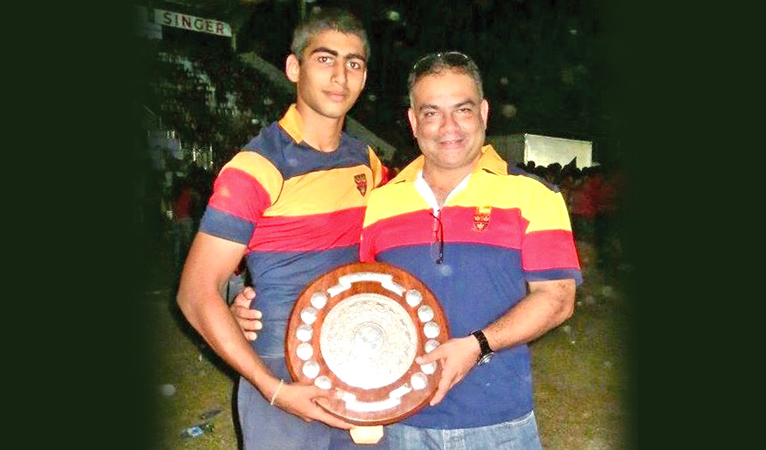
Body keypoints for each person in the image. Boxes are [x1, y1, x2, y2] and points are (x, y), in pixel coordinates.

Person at [235, 51, 583, 449]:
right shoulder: (380, 203)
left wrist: (478, 345)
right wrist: (247, 302)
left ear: (484, 113)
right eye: (431, 112)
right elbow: (341, 285)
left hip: (497, 423)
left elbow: (557, 299)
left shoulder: (534, 195)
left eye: (463, 110)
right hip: (396, 425)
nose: (448, 127)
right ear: (413, 121)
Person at [176, 8, 386, 450]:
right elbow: (195, 293)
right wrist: (271, 388)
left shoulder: (367, 161)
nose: (340, 77)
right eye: (325, 59)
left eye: (353, 63)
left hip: (358, 363)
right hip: (279, 366)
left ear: (364, 78)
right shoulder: (256, 167)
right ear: (294, 68)